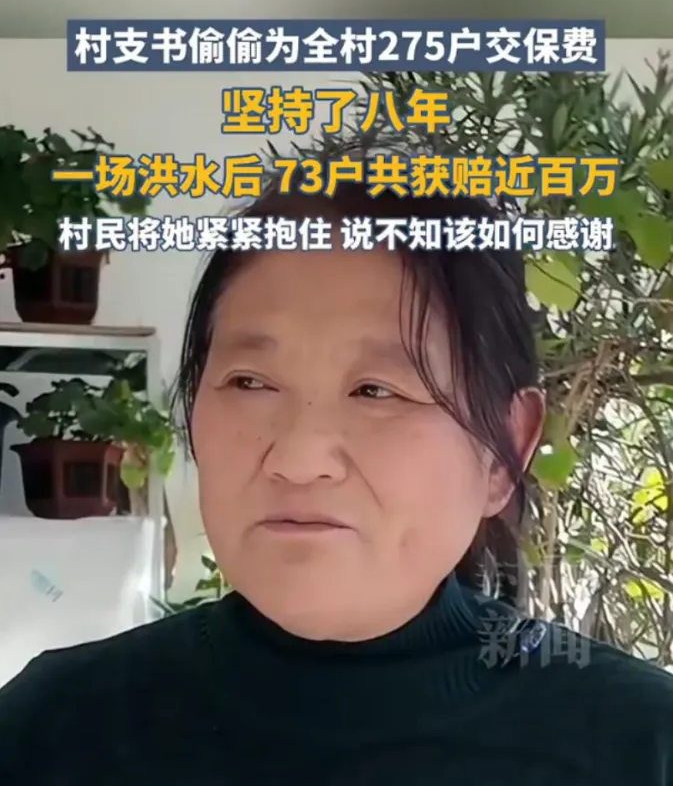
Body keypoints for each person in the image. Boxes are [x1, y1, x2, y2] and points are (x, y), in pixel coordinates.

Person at [1, 175, 672, 786]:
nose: (297, 458)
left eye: (376, 390)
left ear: (503, 453)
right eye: (250, 381)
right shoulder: (49, 728)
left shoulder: (639, 744)